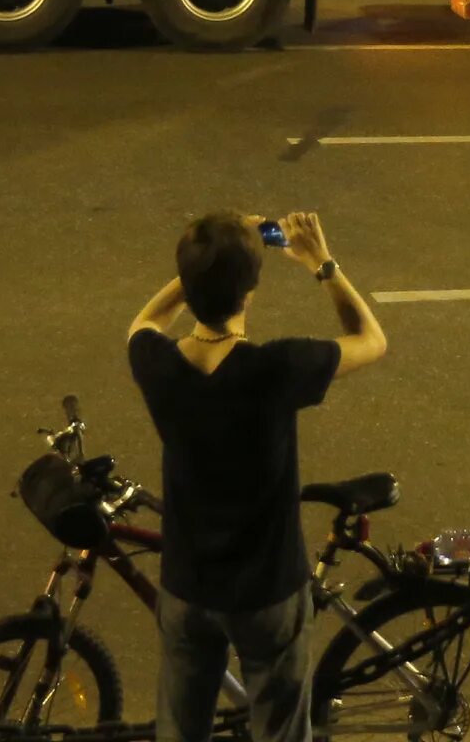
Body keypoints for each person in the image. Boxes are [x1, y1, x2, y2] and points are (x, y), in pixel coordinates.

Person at [128, 211, 389, 742]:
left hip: (187, 587)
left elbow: (144, 323)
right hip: (268, 591)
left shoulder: (157, 364)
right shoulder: (276, 369)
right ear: (249, 292)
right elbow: (370, 337)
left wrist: (205, 267)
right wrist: (323, 264)